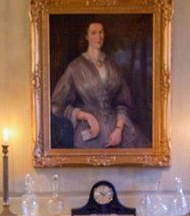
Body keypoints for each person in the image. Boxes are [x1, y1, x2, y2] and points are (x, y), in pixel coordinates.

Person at [50, 21, 150, 149]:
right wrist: (85, 115)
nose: (99, 37)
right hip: (89, 132)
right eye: (94, 33)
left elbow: (123, 102)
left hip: (118, 128)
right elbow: (57, 105)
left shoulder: (112, 65)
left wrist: (118, 129)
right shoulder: (75, 67)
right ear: (86, 36)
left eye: (101, 32)